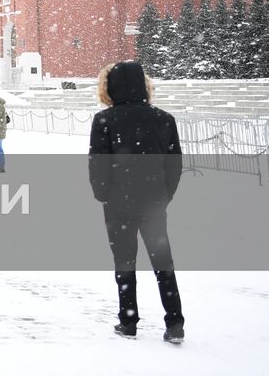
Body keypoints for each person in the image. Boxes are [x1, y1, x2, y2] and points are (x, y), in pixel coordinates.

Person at [89, 61, 185, 343]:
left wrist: (104, 194)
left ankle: (128, 321)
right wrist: (164, 195)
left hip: (118, 203)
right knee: (163, 263)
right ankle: (175, 322)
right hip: (154, 202)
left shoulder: (105, 120)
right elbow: (174, 165)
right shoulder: (164, 119)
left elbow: (98, 166)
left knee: (124, 261)